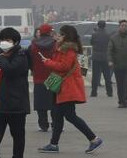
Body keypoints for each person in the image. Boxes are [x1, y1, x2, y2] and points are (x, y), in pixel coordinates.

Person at [38, 25, 103, 154]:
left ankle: (94, 139)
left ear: (66, 36)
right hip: (62, 87)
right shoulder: (61, 48)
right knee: (57, 116)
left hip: (68, 87)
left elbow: (64, 66)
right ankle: (53, 144)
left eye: (60, 34)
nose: (57, 36)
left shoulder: (70, 50)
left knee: (70, 116)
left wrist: (47, 62)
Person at [0, 27, 30, 158]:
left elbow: (10, 70)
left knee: (18, 137)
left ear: (16, 42)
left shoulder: (20, 56)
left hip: (15, 106)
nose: (4, 42)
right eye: (2, 39)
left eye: (8, 40)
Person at [28, 24, 56, 132]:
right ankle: (56, 124)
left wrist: (34, 69)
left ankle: (43, 125)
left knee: (41, 104)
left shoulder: (33, 45)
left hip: (39, 77)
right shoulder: (55, 45)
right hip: (53, 76)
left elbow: (30, 61)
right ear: (50, 32)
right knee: (54, 102)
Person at [108, 20, 127, 108]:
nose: (123, 27)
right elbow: (110, 50)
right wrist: (110, 60)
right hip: (118, 64)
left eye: (125, 25)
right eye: (122, 25)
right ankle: (121, 101)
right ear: (119, 27)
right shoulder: (113, 38)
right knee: (120, 84)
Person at [90, 20, 113, 97]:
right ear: (105, 26)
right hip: (105, 56)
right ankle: (109, 92)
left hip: (96, 56)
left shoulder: (94, 34)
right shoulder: (108, 35)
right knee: (107, 75)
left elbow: (92, 43)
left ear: (98, 25)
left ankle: (94, 92)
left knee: (95, 75)